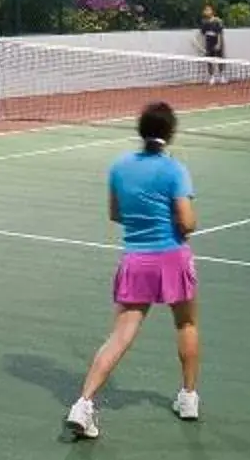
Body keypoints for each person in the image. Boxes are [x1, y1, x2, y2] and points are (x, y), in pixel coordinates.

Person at [66, 102, 200, 440]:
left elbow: (115, 213)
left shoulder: (119, 167)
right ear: (170, 133)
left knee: (120, 336)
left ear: (141, 131)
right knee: (185, 323)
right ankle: (188, 399)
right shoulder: (175, 170)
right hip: (172, 258)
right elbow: (187, 222)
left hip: (136, 261)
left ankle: (82, 404)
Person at [197, 2, 227, 85]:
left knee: (220, 60)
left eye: (208, 10)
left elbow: (220, 33)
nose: (206, 11)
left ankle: (222, 76)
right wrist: (202, 46)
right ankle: (212, 77)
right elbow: (202, 35)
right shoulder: (204, 23)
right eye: (205, 10)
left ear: (212, 11)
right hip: (208, 44)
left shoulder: (218, 21)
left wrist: (219, 44)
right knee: (209, 61)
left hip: (217, 43)